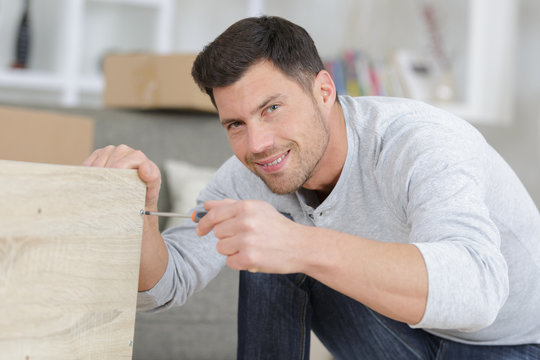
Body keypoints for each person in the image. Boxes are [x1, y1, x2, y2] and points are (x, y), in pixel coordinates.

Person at [84, 16, 540, 359]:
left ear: (324, 90)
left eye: (273, 108)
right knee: (270, 247)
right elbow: (164, 288)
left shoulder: (420, 143)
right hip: (406, 335)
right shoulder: (250, 173)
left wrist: (298, 243)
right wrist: (138, 213)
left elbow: (479, 291)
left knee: (282, 240)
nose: (258, 144)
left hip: (513, 342)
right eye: (236, 124)